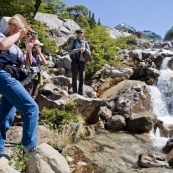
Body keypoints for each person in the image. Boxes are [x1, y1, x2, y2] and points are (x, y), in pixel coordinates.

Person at [0, 14, 39, 157]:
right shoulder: (2, 36)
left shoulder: (16, 46)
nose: (16, 28)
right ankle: (29, 147)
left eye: (19, 26)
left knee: (5, 117)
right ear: (7, 26)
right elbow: (2, 45)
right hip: (3, 75)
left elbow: (27, 65)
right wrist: (19, 34)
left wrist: (28, 46)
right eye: (13, 25)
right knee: (31, 107)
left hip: (11, 77)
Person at [68, 28, 91, 95]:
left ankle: (80, 93)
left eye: (81, 33)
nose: (80, 34)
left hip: (82, 61)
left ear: (83, 34)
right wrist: (78, 49)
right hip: (75, 60)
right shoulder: (74, 41)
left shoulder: (85, 42)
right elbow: (69, 51)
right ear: (77, 34)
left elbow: (89, 52)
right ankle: (74, 93)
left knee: (82, 77)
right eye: (79, 33)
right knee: (74, 76)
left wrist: (85, 50)